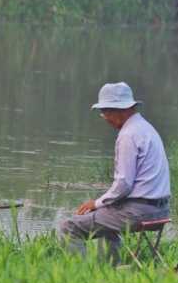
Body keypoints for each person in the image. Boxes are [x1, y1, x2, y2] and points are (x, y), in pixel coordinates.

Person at [60, 82, 170, 262]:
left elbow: (124, 184)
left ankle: (80, 275)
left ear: (120, 110)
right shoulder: (147, 128)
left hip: (138, 213)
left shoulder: (128, 135)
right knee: (105, 219)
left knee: (69, 227)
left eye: (105, 111)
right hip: (161, 211)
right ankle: (109, 271)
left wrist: (96, 203)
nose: (104, 117)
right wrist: (103, 205)